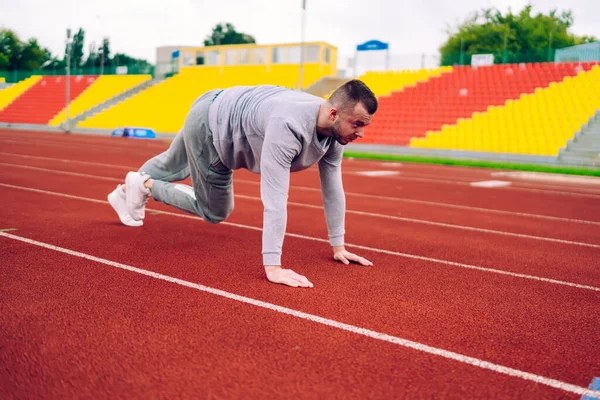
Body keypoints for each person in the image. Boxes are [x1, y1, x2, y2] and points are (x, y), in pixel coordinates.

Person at [107, 79, 378, 288]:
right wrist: (273, 267)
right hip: (213, 127)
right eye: (357, 124)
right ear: (333, 114)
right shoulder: (287, 126)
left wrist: (338, 245)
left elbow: (332, 189)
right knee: (214, 210)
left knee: (170, 164)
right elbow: (275, 199)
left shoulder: (335, 133)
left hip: (214, 102)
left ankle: (123, 193)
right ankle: (144, 186)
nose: (362, 133)